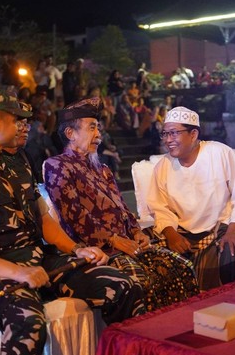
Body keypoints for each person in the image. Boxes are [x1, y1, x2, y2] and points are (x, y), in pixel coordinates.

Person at [0, 90, 145, 355]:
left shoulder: (18, 163)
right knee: (27, 323)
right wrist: (16, 272)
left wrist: (77, 249)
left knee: (123, 286)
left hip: (37, 260)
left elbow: (44, 219)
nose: (25, 126)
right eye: (17, 120)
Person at [44, 98, 198, 311]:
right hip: (101, 251)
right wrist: (114, 240)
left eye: (98, 128)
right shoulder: (57, 166)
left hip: (129, 245)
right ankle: (146, 341)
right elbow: (75, 217)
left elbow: (123, 208)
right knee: (143, 283)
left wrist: (137, 233)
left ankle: (180, 334)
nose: (98, 135)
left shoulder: (102, 168)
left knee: (182, 268)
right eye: (92, 128)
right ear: (71, 134)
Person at [146, 106, 235, 291]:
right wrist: (172, 235)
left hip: (220, 227)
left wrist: (234, 230)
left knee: (233, 252)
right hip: (182, 231)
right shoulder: (162, 166)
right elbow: (159, 208)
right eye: (165, 134)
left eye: (174, 133)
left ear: (193, 134)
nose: (168, 140)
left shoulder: (219, 153)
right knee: (148, 250)